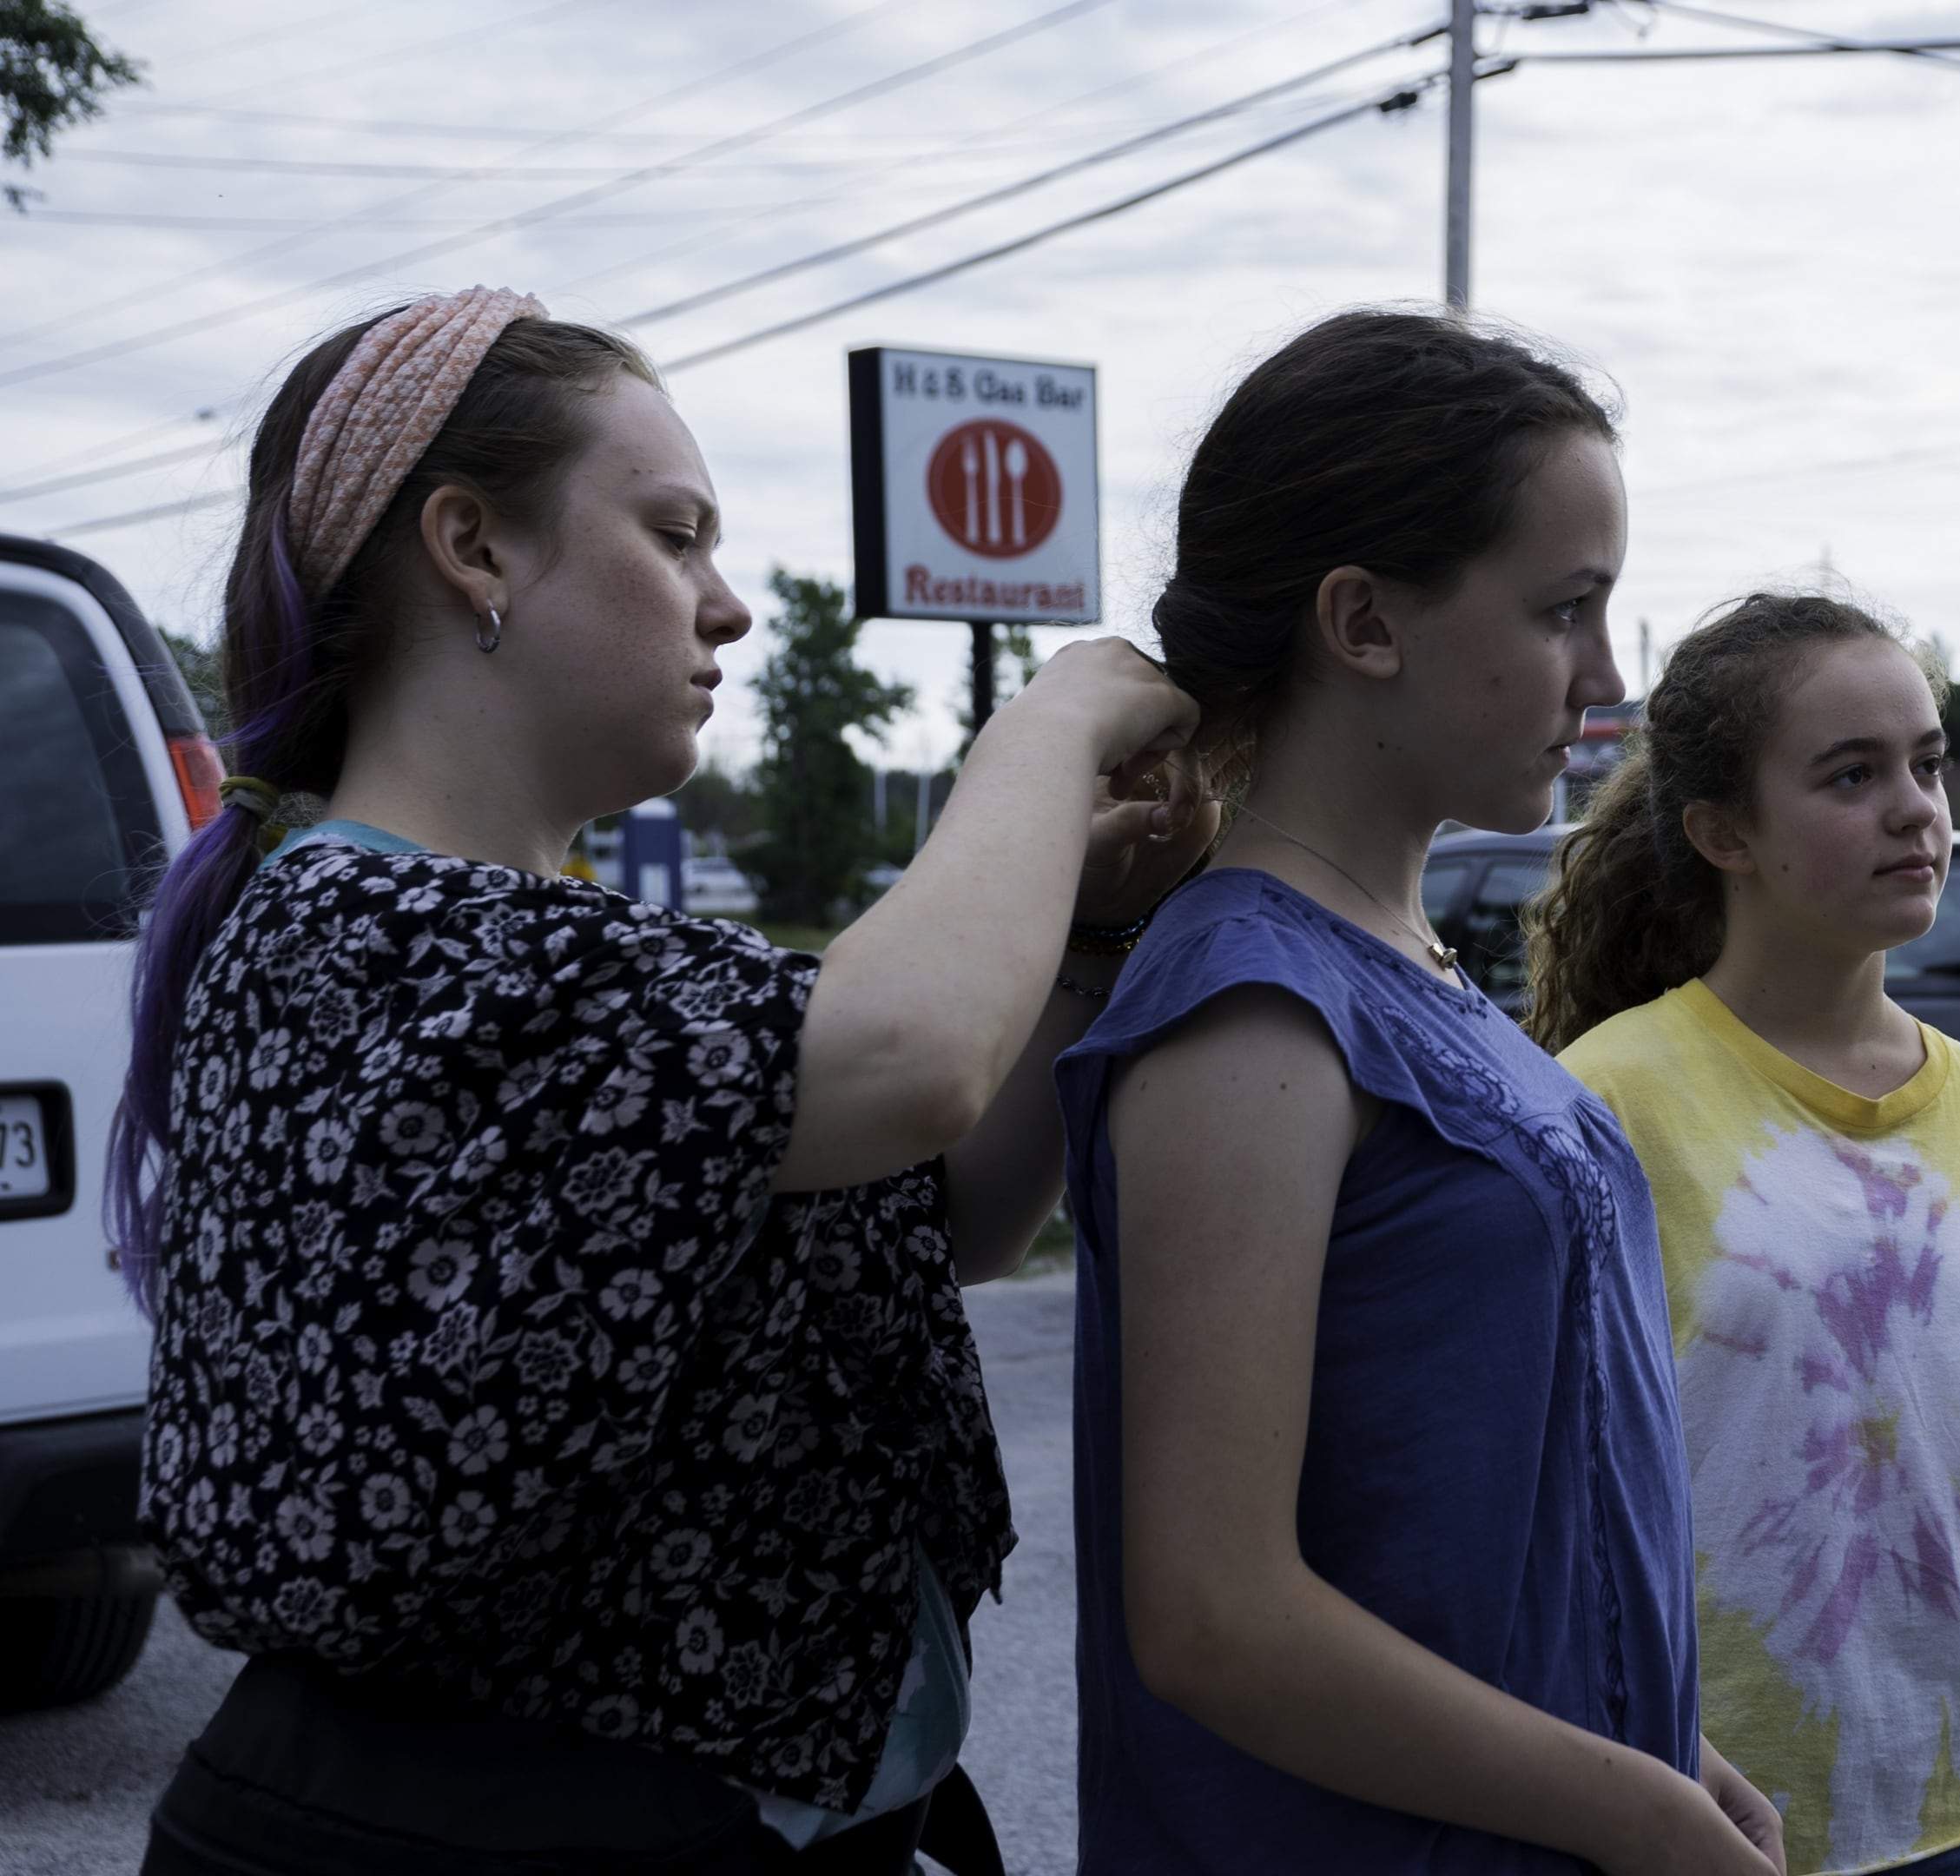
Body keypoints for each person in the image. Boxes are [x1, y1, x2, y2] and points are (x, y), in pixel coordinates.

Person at [114, 288, 1207, 1873]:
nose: (729, 605)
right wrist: (1049, 726)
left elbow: (945, 1204)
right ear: (474, 548)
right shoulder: (362, 937)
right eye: (675, 533)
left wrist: (1091, 924)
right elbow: (906, 1065)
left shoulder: (552, 952)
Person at [1053, 309, 1779, 1875]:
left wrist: (1668, 1745)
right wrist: (1636, 1811)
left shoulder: (1403, 961)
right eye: (1565, 610)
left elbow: (1477, 1518)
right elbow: (1214, 1618)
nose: (1605, 677)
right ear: (1363, 621)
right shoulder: (1251, 1011)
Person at [1529, 593, 1960, 1876]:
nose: (1915, 808)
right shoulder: (1606, 1098)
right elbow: (1536, 1479)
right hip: (1676, 1805)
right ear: (1722, 832)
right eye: (1851, 775)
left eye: (1927, 762)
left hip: (1945, 1808)